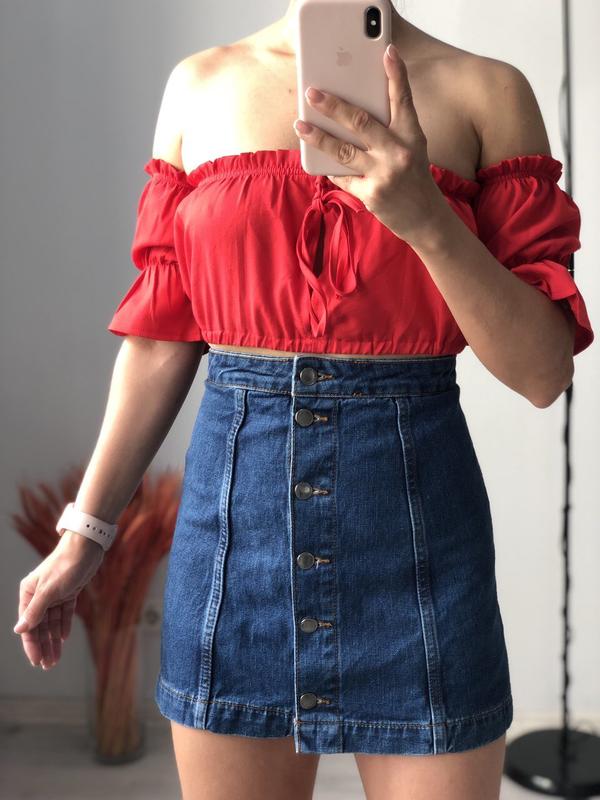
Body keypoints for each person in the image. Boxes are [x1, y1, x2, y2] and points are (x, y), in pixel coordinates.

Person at [13, 1, 594, 798]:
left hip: (422, 552)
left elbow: (542, 372)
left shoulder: (488, 92)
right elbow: (159, 339)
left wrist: (426, 219)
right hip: (233, 552)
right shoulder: (200, 85)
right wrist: (85, 535)